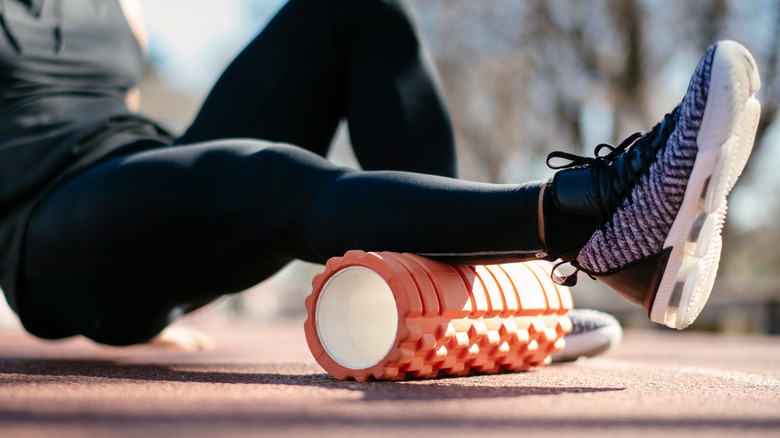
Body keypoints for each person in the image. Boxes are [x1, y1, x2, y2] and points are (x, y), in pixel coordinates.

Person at [0, 0, 760, 348]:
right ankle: (586, 215)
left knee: (355, 12)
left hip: (136, 180)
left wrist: (159, 258)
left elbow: (117, 105)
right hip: (48, 226)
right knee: (272, 177)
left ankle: (471, 297)